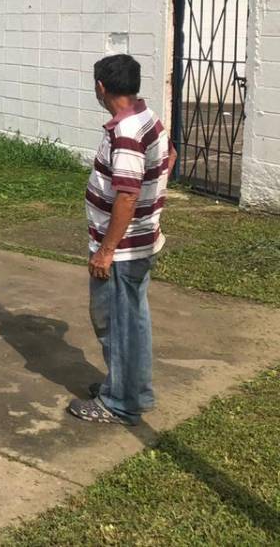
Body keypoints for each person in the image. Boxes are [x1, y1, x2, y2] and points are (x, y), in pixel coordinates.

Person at [68, 54, 175, 426]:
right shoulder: (148, 118)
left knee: (117, 324)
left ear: (101, 87)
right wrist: (154, 191)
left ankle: (121, 403)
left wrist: (107, 250)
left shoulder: (128, 132)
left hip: (123, 250)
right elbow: (169, 155)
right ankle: (127, 388)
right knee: (130, 322)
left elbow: (126, 196)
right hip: (139, 240)